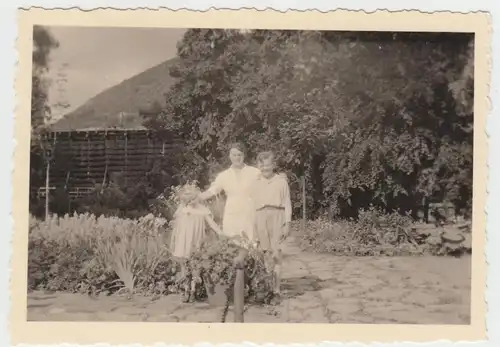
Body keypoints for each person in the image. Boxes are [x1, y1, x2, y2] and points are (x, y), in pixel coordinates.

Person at [197, 142, 261, 243]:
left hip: (249, 213)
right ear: (230, 156)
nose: (237, 158)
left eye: (239, 154)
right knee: (233, 245)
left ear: (244, 155)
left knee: (251, 244)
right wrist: (195, 198)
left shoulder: (255, 172)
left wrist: (280, 178)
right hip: (232, 214)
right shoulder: (224, 176)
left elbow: (267, 184)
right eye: (234, 155)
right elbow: (212, 190)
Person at [170, 183, 222, 302]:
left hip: (196, 241)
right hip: (183, 240)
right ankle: (185, 289)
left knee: (195, 265)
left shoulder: (202, 210)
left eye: (194, 198)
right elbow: (176, 227)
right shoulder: (182, 209)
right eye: (189, 199)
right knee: (184, 264)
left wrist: (221, 233)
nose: (192, 201)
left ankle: (193, 290)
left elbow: (212, 224)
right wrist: (173, 241)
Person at [252, 151, 292, 298]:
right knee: (265, 254)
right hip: (260, 216)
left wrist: (287, 223)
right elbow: (252, 205)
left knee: (276, 254)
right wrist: (254, 226)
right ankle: (266, 288)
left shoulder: (281, 181)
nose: (265, 168)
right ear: (258, 166)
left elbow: (287, 202)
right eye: (262, 166)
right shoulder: (255, 182)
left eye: (268, 165)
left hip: (277, 216)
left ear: (273, 165)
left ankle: (276, 289)